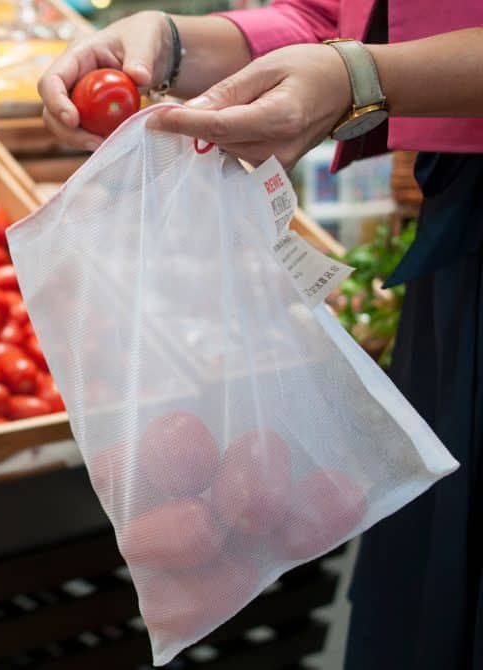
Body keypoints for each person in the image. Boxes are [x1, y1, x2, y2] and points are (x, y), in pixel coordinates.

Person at [39, 2, 483, 668]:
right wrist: (174, 46)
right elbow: (335, 16)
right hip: (461, 256)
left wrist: (360, 77)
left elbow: (353, 53)